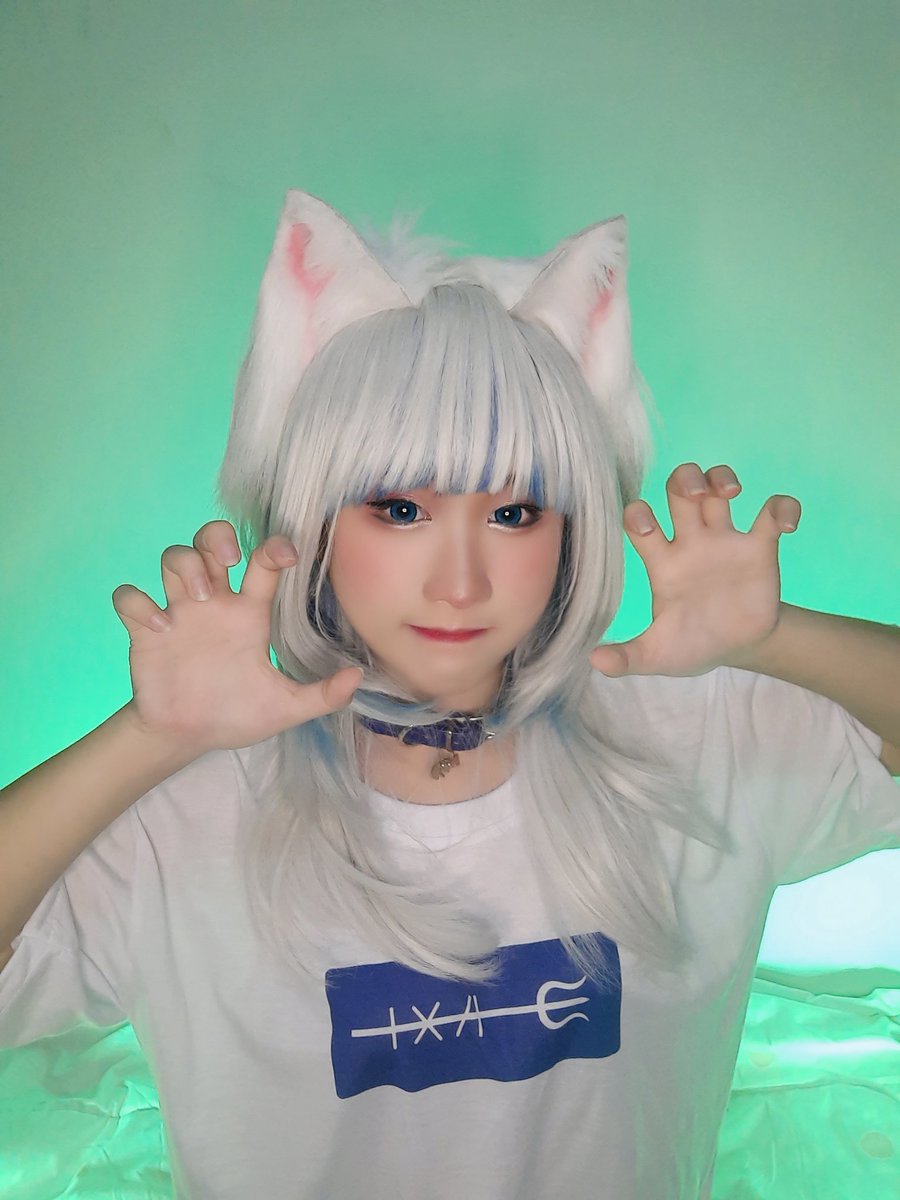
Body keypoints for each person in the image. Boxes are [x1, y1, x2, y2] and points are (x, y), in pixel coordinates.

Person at [0, 189, 898, 1200]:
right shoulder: (186, 809)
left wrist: (780, 640)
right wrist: (149, 739)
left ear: (574, 527)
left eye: (516, 512)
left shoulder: (696, 740)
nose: (461, 583)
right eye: (400, 509)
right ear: (310, 515)